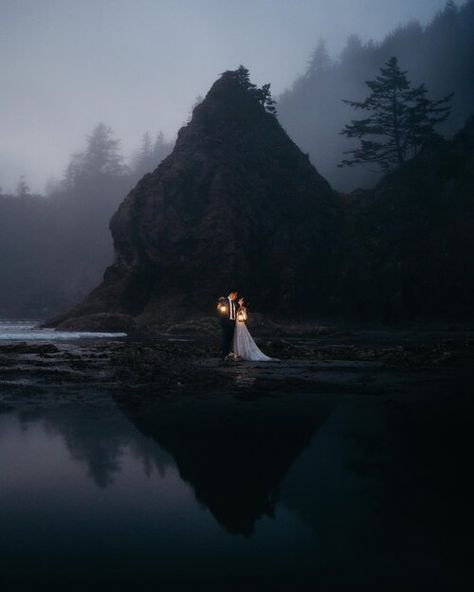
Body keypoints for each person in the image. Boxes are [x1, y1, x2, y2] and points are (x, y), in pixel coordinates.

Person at [232, 297, 276, 362]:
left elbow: (245, 317)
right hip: (236, 324)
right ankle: (237, 353)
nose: (239, 300)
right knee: (237, 338)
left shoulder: (243, 308)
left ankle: (242, 353)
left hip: (241, 324)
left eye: (241, 300)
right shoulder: (236, 307)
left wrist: (241, 312)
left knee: (242, 337)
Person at [217, 290, 238, 360]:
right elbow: (220, 309)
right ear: (232, 294)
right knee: (225, 339)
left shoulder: (234, 303)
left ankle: (228, 354)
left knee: (230, 339)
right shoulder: (224, 301)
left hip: (233, 323)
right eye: (235, 295)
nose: (236, 297)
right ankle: (224, 355)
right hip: (226, 322)